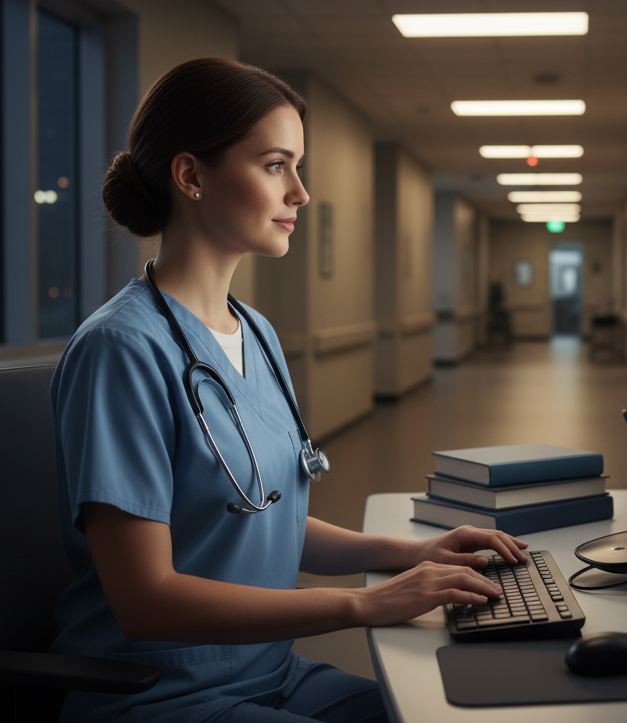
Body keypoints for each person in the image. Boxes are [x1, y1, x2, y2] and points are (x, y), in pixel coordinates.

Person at [49, 58, 526, 723]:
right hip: (159, 693)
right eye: (276, 165)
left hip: (270, 671)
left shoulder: (257, 333)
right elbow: (145, 599)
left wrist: (410, 553)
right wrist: (361, 604)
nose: (300, 193)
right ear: (190, 176)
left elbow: (262, 523)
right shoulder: (122, 351)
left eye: (297, 167)